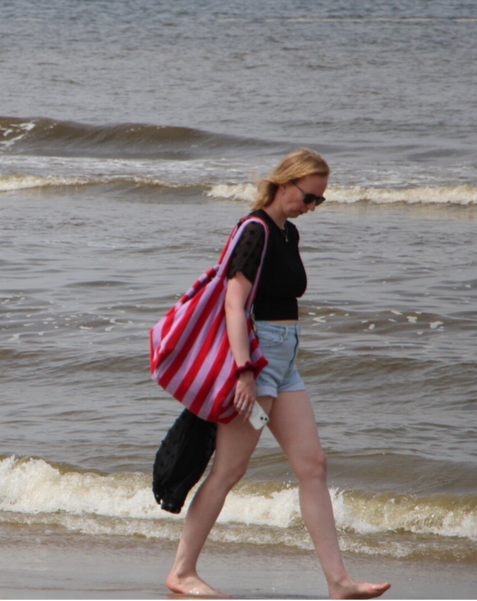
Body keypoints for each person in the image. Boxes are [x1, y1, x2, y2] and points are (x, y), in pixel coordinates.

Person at [164, 149, 391, 600]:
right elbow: (233, 304)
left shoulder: (288, 233)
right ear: (285, 184)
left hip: (285, 362)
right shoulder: (256, 230)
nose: (312, 207)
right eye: (309, 197)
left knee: (313, 466)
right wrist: (244, 371)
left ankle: (339, 582)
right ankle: (182, 572)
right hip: (258, 360)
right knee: (228, 471)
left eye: (319, 201)